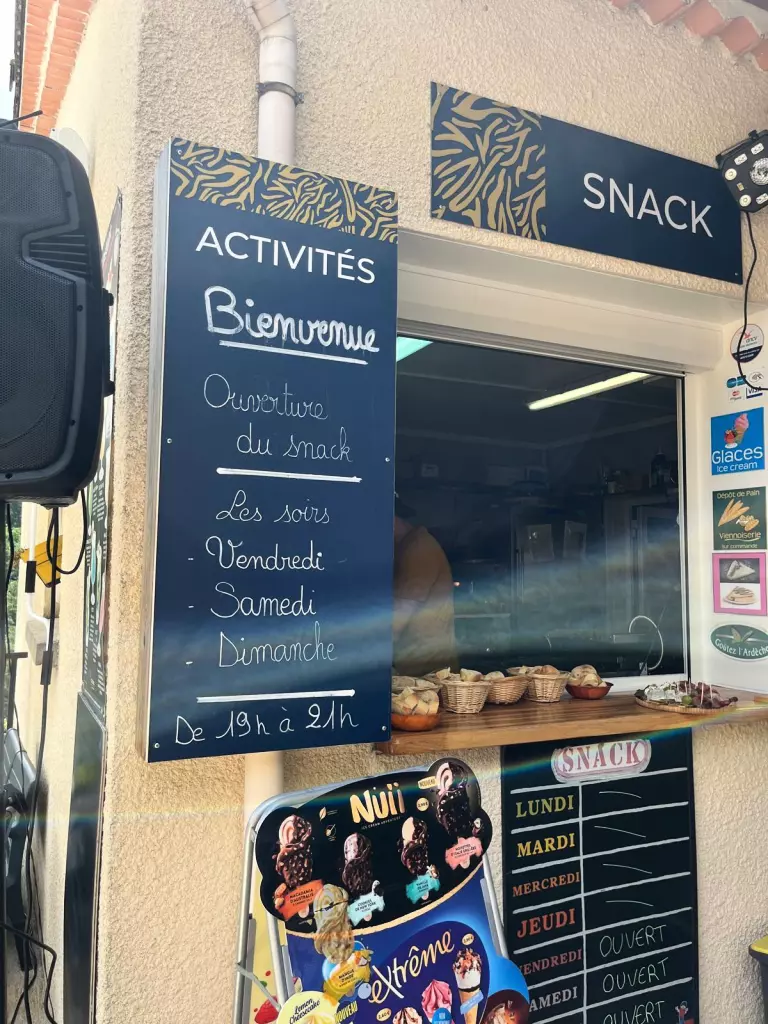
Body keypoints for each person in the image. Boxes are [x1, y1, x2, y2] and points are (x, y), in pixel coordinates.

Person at [393, 498, 457, 676]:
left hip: (427, 671)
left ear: (392, 520)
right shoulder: (405, 547)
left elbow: (400, 613)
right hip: (415, 663)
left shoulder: (418, 548)